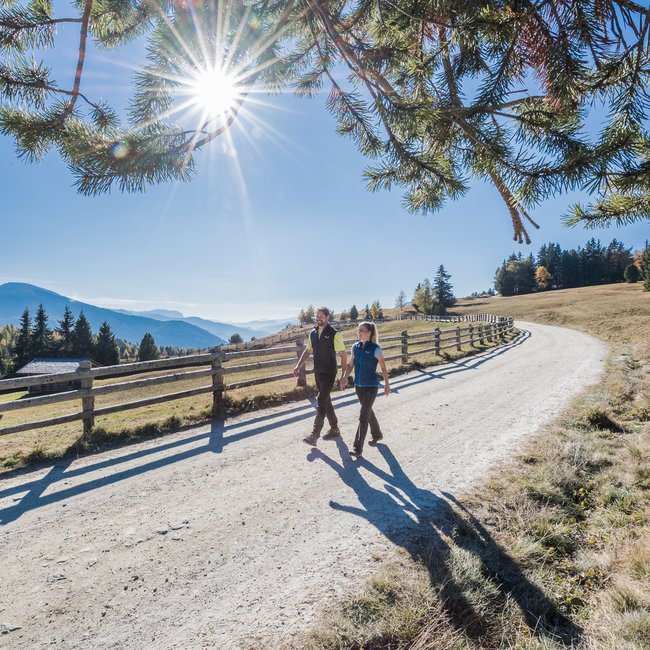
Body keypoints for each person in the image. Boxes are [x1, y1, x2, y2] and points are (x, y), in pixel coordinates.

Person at [293, 307, 347, 445]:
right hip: (318, 371)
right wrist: (298, 365)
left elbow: (342, 355)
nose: (318, 318)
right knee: (326, 400)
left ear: (328, 317)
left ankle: (314, 434)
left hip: (330, 372)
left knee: (321, 399)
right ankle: (335, 429)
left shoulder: (335, 334)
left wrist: (344, 375)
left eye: (321, 315)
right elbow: (307, 351)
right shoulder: (312, 333)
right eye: (317, 316)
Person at [339, 321, 390, 458]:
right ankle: (377, 434)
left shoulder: (376, 348)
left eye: (362, 330)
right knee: (368, 412)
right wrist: (344, 377)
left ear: (369, 332)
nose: (359, 332)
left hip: (371, 387)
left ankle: (357, 449)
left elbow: (384, 368)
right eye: (358, 330)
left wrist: (387, 384)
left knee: (363, 416)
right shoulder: (355, 347)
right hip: (359, 386)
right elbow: (350, 365)